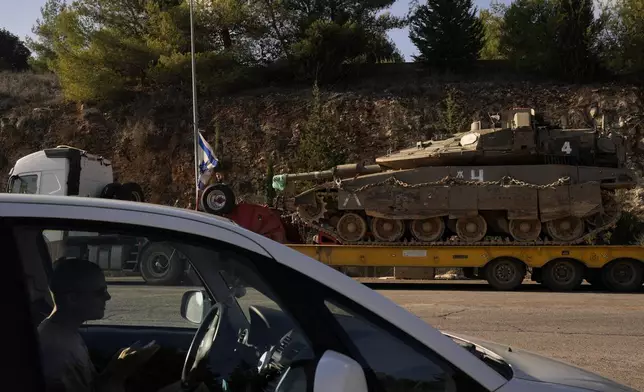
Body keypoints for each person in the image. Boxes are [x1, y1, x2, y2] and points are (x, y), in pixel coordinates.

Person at [38, 257, 159, 392]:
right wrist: (118, 376)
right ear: (72, 299)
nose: (108, 297)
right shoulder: (57, 353)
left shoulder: (65, 333)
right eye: (100, 291)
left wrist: (115, 366)